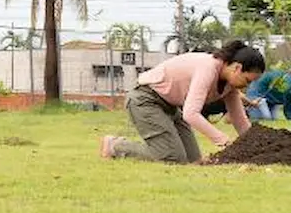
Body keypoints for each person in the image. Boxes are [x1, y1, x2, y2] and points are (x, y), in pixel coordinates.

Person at [100, 40, 264, 164]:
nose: (247, 86)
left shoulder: (230, 85)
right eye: (247, 80)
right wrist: (222, 140)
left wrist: (257, 148)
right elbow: (191, 114)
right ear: (237, 67)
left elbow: (240, 121)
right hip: (146, 99)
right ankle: (115, 146)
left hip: (170, 106)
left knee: (193, 160)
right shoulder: (208, 67)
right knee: (172, 158)